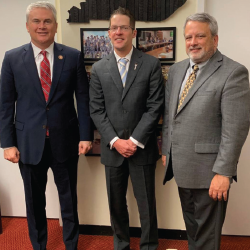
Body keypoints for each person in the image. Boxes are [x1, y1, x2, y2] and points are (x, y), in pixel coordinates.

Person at [0, 2, 93, 250]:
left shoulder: (72, 56)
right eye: (37, 21)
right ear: (28, 27)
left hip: (66, 140)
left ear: (55, 25)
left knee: (69, 200)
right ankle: (38, 245)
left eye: (47, 21)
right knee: (34, 201)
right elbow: (6, 104)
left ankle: (71, 244)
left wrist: (86, 135)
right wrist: (7, 143)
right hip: (28, 143)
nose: (42, 26)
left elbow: (82, 99)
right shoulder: (11, 58)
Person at [162, 12, 250, 250]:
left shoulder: (234, 72)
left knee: (207, 238)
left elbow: (236, 128)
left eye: (200, 35)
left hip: (211, 172)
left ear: (215, 39)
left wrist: (224, 172)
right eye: (188, 36)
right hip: (181, 166)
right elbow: (172, 116)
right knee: (193, 231)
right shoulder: (177, 70)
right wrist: (166, 149)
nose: (193, 42)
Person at [89, 7, 164, 250]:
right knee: (116, 206)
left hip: (141, 149)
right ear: (108, 33)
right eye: (114, 28)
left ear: (133, 32)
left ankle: (149, 246)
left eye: (123, 27)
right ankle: (121, 245)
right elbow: (96, 110)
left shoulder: (151, 64)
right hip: (112, 151)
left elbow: (155, 107)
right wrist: (115, 141)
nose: (118, 31)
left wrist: (134, 140)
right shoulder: (99, 68)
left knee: (146, 206)